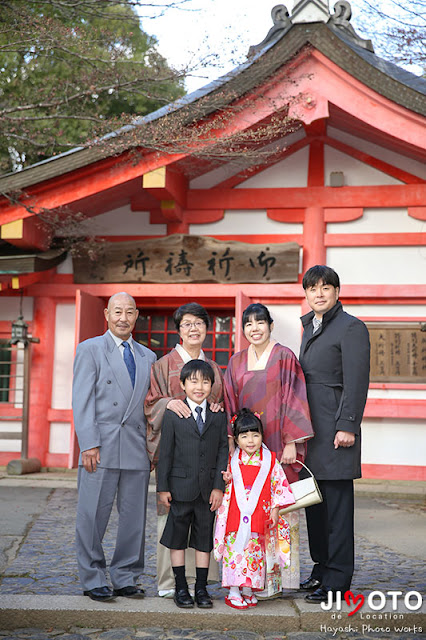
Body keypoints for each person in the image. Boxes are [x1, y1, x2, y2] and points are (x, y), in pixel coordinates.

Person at [72, 292, 156, 602]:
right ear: (107, 314)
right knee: (93, 515)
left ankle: (125, 576)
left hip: (136, 446)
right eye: (117, 311)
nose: (123, 317)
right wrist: (89, 443)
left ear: (137, 316)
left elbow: (151, 406)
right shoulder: (90, 349)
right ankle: (93, 577)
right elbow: (81, 400)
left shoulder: (148, 356)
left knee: (134, 518)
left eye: (129, 312)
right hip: (101, 446)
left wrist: (154, 448)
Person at [224, 303, 313, 590]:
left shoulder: (285, 357)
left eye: (260, 322)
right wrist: (233, 445)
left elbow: (295, 397)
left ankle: (280, 581)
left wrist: (291, 441)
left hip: (277, 444)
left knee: (278, 509)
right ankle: (249, 579)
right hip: (247, 448)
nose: (254, 328)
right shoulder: (236, 362)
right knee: (249, 510)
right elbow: (230, 406)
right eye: (248, 324)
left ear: (270, 325)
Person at [299, 265, 370, 603]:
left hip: (336, 431)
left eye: (326, 287)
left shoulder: (351, 327)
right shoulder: (308, 326)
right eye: (313, 288)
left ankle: (338, 580)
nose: (320, 293)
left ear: (337, 292)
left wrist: (348, 425)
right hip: (309, 432)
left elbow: (357, 381)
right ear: (307, 294)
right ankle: (321, 567)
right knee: (314, 504)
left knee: (337, 510)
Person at [144, 302, 223, 597]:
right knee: (172, 520)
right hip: (175, 461)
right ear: (178, 330)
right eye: (187, 324)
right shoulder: (163, 365)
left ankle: (201, 582)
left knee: (204, 521)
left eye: (199, 323)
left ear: (206, 329)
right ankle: (170, 582)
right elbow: (151, 404)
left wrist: (217, 406)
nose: (193, 329)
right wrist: (168, 403)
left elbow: (219, 409)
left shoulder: (213, 367)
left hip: (204, 464)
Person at [157, 359, 228, 609]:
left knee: (203, 539)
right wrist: (162, 488)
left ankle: (201, 588)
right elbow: (165, 452)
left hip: (208, 490)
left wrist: (219, 486)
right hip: (179, 488)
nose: (200, 387)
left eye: (205, 382)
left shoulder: (218, 415)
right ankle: (180, 587)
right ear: (183, 384)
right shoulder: (173, 414)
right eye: (194, 381)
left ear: (212, 386)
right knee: (177, 538)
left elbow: (222, 451)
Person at [214, 409, 296, 609]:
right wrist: (225, 480)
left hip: (260, 514)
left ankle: (248, 589)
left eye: (255, 435)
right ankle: (233, 590)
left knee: (255, 553)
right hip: (235, 513)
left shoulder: (270, 460)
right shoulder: (232, 460)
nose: (250, 441)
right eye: (244, 436)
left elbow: (278, 486)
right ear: (236, 438)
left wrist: (275, 510)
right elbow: (224, 485)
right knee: (236, 552)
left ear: (262, 436)